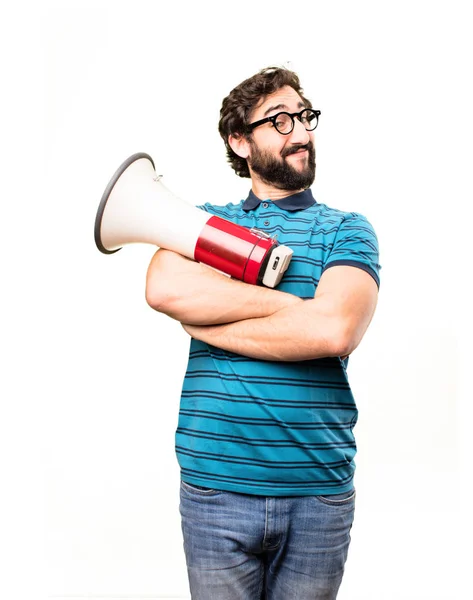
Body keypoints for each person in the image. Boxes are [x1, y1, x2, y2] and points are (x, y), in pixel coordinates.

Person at [145, 66, 380, 599]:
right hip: (214, 489)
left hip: (316, 492)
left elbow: (336, 329)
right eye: (278, 121)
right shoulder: (207, 221)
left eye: (304, 117)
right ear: (239, 141)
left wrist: (209, 321)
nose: (300, 132)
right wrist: (296, 309)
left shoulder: (347, 229)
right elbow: (163, 289)